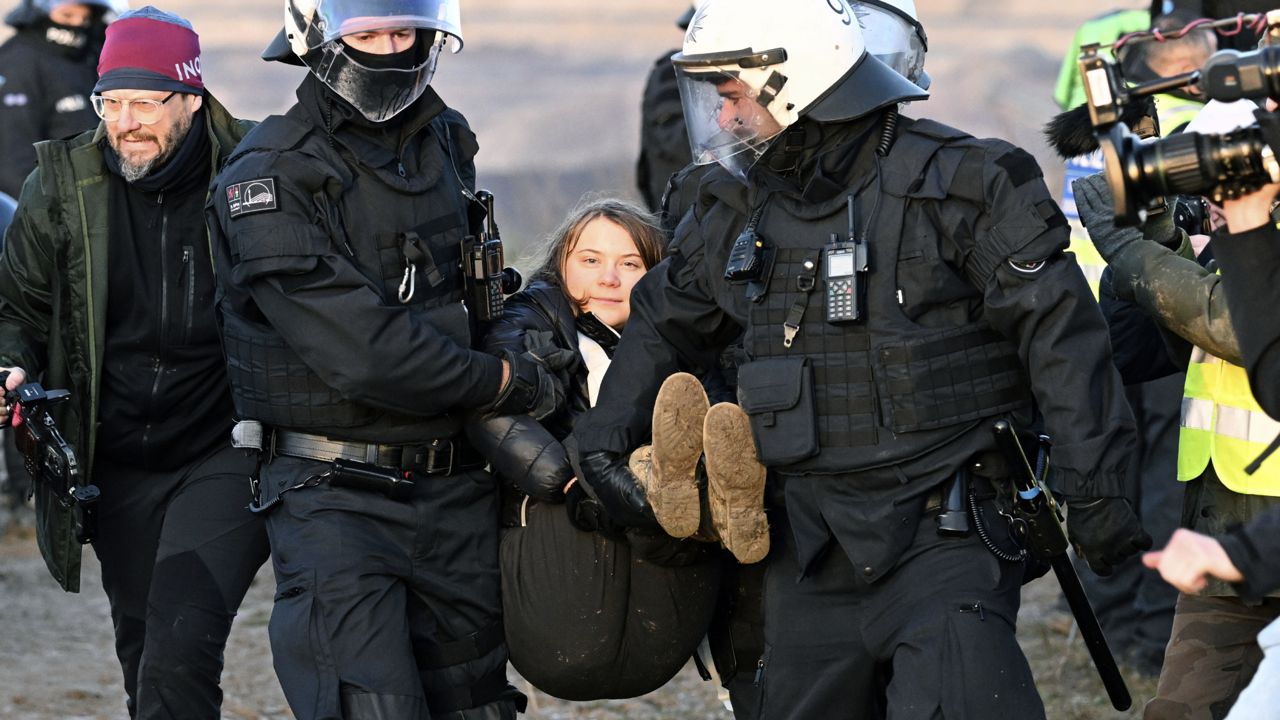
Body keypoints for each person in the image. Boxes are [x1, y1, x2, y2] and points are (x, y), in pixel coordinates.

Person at [575, 1, 1149, 717]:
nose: (722, 120)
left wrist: (1097, 486)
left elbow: (1063, 339)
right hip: (807, 545)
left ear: (796, 81)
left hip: (950, 532)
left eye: (732, 98)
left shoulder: (963, 183)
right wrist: (600, 444)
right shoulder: (732, 212)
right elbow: (664, 324)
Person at [206, 1, 552, 717]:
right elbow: (361, 349)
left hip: (455, 483)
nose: (391, 52)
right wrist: (502, 381)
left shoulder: (445, 141)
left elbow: (475, 292)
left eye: (405, 34)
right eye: (367, 36)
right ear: (320, 40)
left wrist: (521, 333)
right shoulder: (269, 174)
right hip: (335, 496)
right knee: (372, 706)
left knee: (477, 703)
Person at [0, 7, 269, 718]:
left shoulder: (254, 174)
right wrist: (10, 366)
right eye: (110, 102)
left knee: (180, 647)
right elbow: (17, 311)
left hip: (225, 448)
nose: (126, 122)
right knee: (145, 657)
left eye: (146, 102)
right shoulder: (60, 187)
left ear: (191, 97)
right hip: (114, 463)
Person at [466, 196, 754, 702]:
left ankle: (712, 501)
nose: (609, 279)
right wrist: (576, 480)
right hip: (566, 552)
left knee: (699, 423)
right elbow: (495, 412)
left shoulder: (689, 335)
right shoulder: (523, 321)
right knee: (600, 446)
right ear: (560, 265)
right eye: (591, 261)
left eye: (630, 264)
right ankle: (676, 488)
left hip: (663, 590)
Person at [1073, 95, 1280, 719]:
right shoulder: (1232, 242)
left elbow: (1234, 325)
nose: (1212, 198)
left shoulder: (1254, 246)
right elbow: (1139, 350)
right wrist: (1154, 229)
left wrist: (1129, 251)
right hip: (1222, 531)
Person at [0, 0, 116, 198]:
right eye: (68, 16)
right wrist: (48, 218)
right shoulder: (18, 61)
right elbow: (13, 162)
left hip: (102, 197)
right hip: (55, 206)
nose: (78, 23)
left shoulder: (94, 52)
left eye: (86, 18)